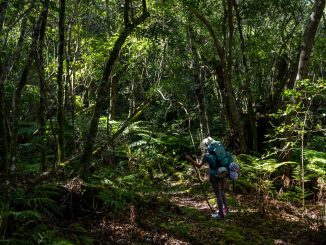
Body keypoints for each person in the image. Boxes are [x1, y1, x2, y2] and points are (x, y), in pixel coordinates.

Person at [186, 137, 239, 218]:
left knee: (218, 195)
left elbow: (199, 166)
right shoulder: (225, 153)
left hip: (214, 176)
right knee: (222, 193)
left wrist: (190, 159)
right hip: (224, 173)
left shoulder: (207, 156)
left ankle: (220, 214)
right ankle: (226, 210)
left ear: (207, 146)